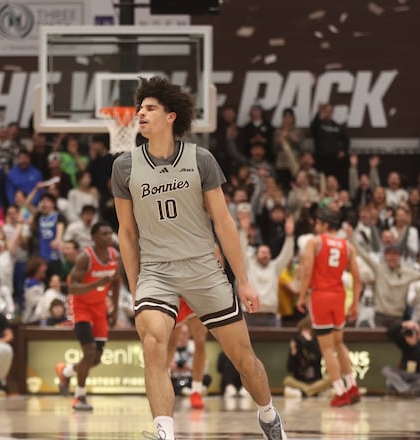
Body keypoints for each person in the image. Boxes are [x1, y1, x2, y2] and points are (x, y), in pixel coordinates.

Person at [111, 76, 287, 440]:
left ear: (171, 116)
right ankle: (164, 431)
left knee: (244, 360)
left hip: (204, 269)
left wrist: (244, 279)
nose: (140, 113)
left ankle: (268, 414)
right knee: (154, 342)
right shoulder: (124, 167)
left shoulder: (200, 159)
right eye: (139, 108)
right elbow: (126, 234)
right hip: (157, 273)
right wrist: (135, 288)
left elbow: (224, 223)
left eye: (150, 108)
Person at [297, 210, 362, 407]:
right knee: (339, 343)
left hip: (321, 295)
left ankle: (339, 391)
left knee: (326, 347)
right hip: (339, 296)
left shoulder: (315, 242)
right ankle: (352, 385)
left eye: (318, 222)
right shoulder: (348, 246)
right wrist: (355, 303)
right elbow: (357, 278)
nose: (316, 225)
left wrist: (301, 295)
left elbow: (307, 269)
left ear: (325, 225)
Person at [57, 221, 121, 410]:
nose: (109, 237)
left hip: (100, 307)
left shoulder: (115, 256)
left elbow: (116, 282)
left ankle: (66, 371)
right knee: (89, 351)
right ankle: (80, 396)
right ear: (94, 237)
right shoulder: (85, 258)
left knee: (96, 358)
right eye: (104, 234)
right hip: (81, 306)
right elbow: (72, 287)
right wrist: (95, 284)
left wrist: (115, 309)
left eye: (110, 233)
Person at [166, 300, 209, 409]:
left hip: (195, 289)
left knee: (200, 341)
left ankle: (196, 391)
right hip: (176, 293)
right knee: (171, 344)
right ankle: (164, 387)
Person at [381, 320, 420, 396]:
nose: (411, 334)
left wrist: (414, 345)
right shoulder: (404, 342)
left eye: (415, 331)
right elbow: (390, 333)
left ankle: (404, 390)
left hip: (419, 375)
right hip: (404, 374)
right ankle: (407, 390)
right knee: (386, 370)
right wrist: (403, 325)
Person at [282, 316, 331, 398]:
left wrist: (310, 342)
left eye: (306, 331)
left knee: (331, 378)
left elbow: (318, 356)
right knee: (287, 380)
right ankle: (310, 390)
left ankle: (308, 391)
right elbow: (290, 369)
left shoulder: (316, 342)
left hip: (316, 381)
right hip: (300, 382)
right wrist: (293, 353)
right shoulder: (296, 343)